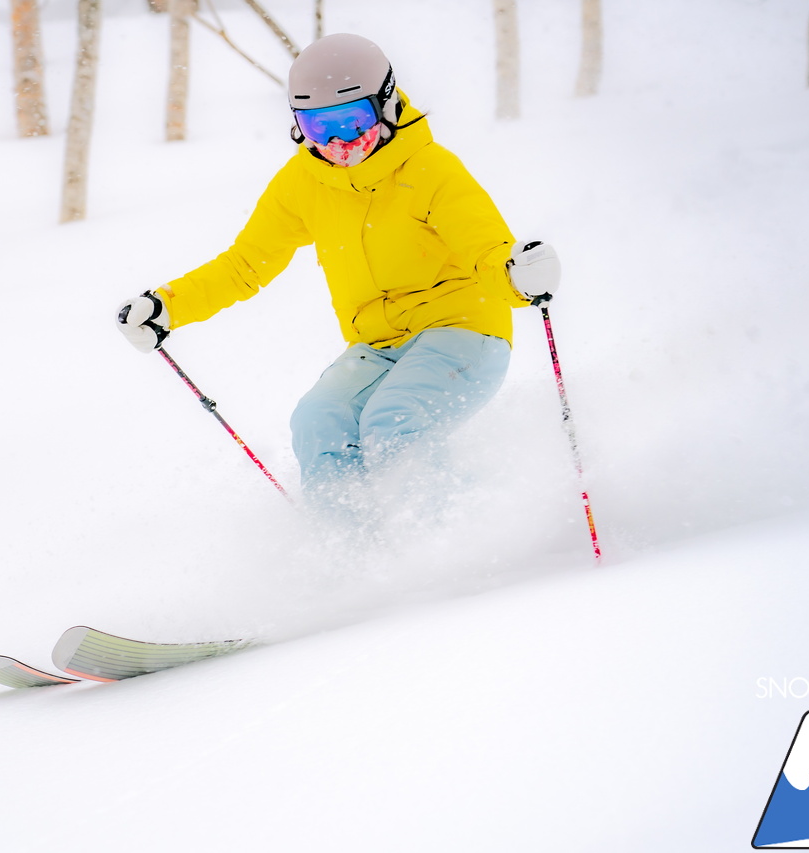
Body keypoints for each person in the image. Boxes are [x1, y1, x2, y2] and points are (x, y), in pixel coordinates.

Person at [117, 33, 560, 517]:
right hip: (377, 346)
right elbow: (246, 264)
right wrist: (168, 307)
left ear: (386, 105)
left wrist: (517, 276)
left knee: (396, 420)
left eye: (352, 122)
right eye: (316, 126)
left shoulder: (431, 170)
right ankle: (352, 555)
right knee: (318, 423)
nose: (337, 143)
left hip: (464, 332)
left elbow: (486, 250)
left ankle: (444, 540)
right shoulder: (305, 183)